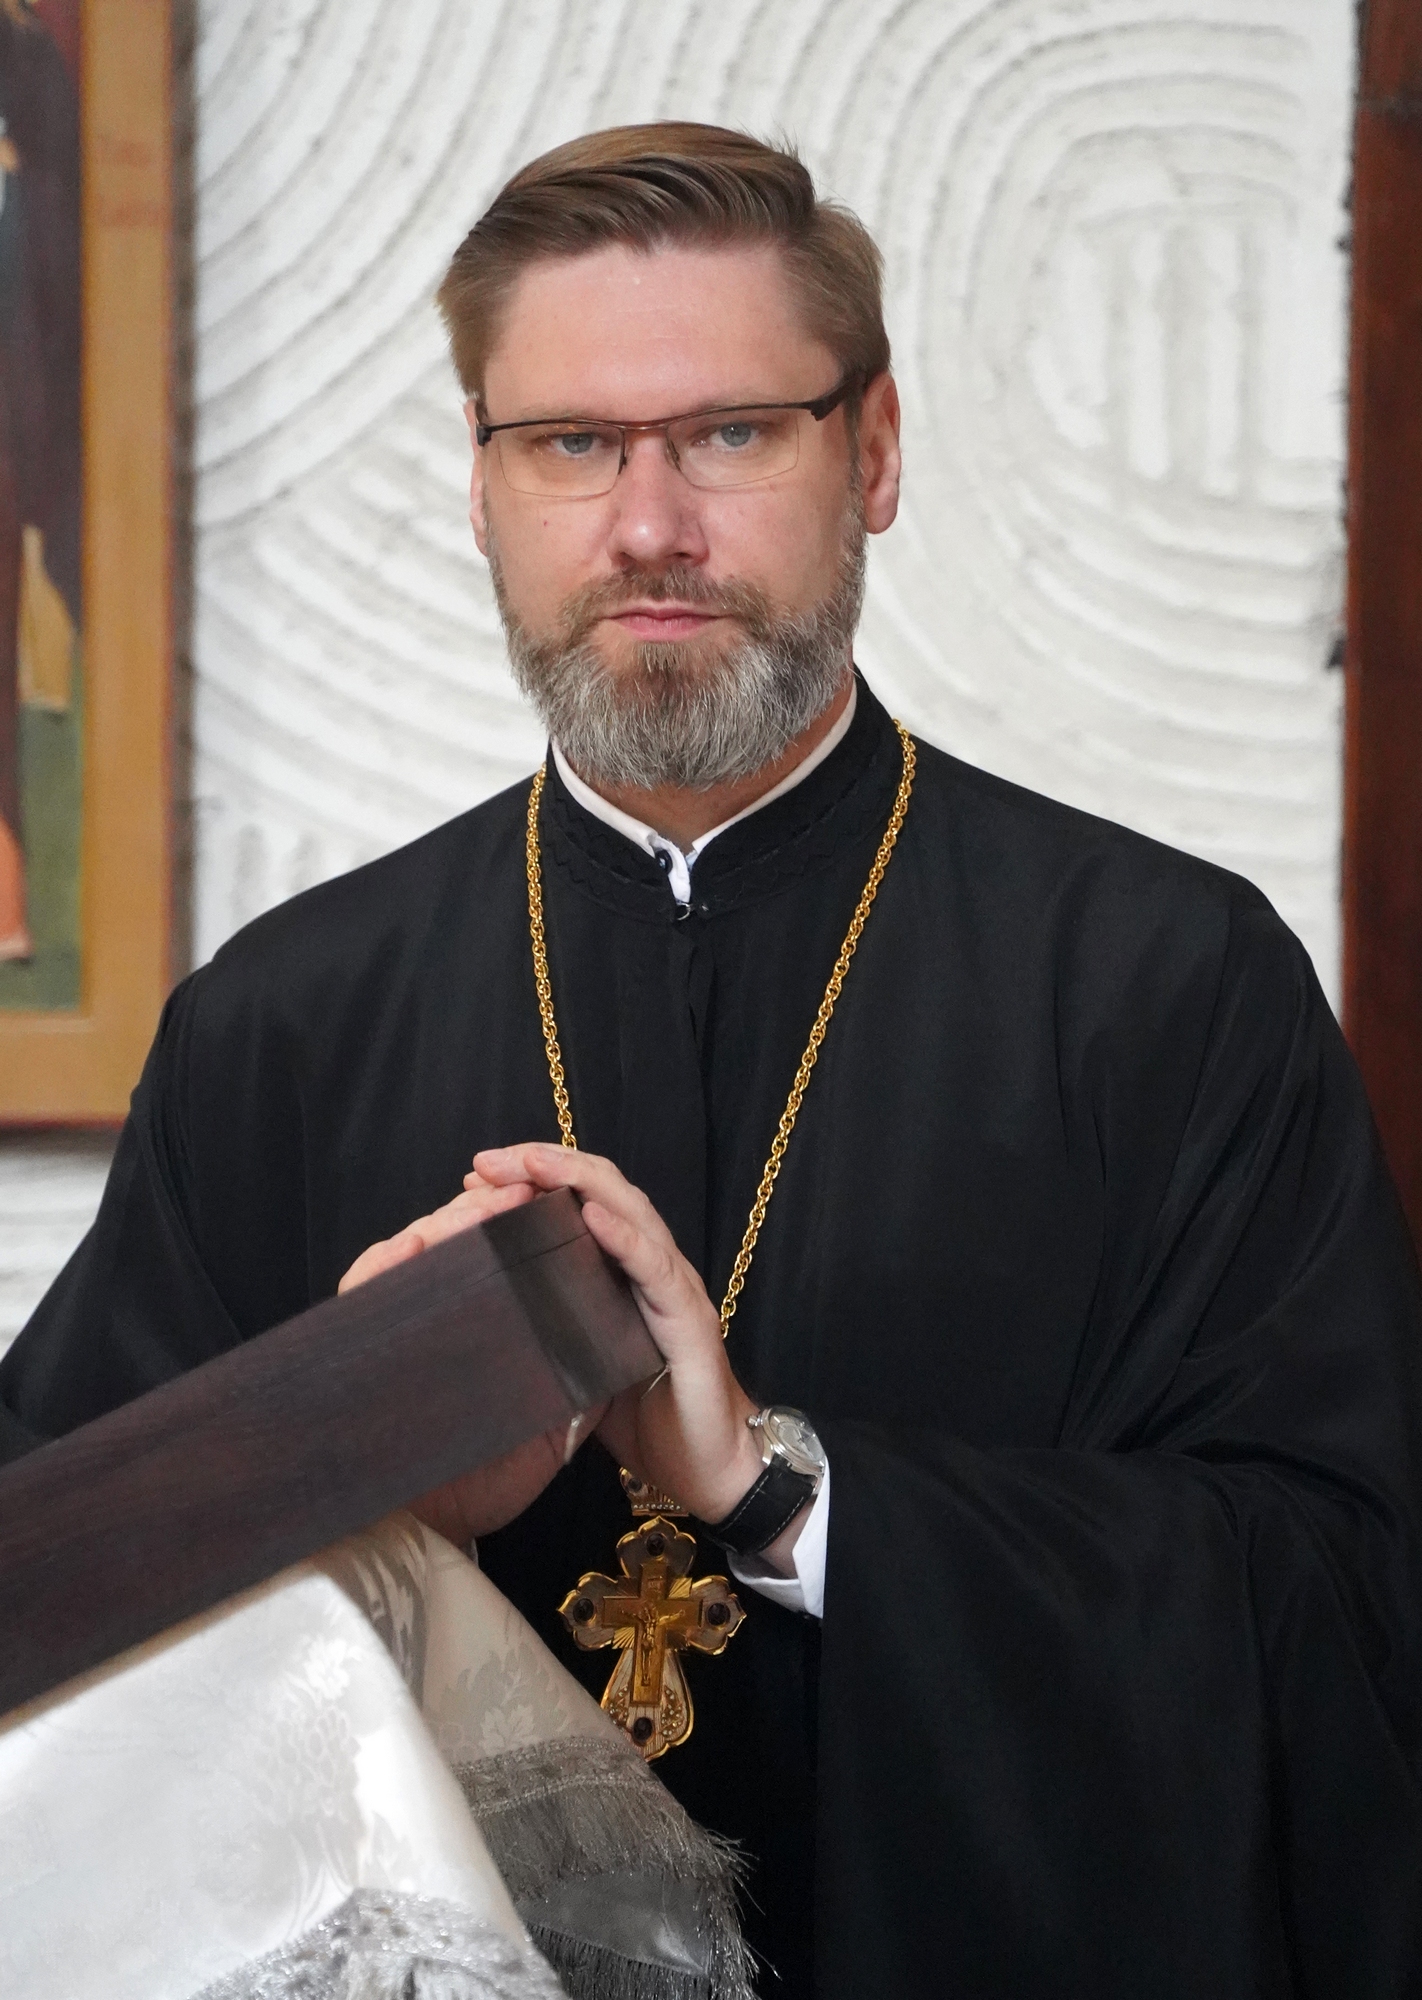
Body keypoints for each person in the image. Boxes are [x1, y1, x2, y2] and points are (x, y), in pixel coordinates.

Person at [3, 123, 1421, 1998]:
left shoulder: (1166, 982)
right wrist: (340, 1470)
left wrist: (777, 1495)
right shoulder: (282, 1019)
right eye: (570, 445)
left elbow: (1340, 1612)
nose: (647, 525)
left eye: (730, 434)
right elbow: (53, 1608)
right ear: (484, 482)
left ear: (877, 452)